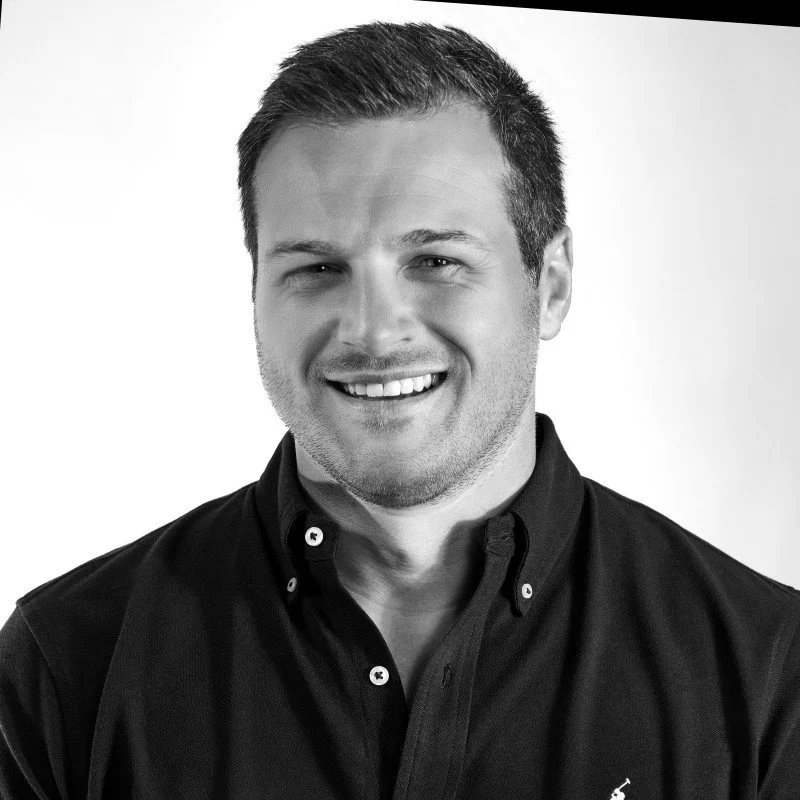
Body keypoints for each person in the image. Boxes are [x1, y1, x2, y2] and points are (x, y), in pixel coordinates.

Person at [0, 20, 798, 800]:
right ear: (254, 293)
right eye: (316, 267)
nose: (375, 332)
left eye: (437, 260)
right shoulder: (68, 665)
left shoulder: (767, 676)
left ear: (549, 285)